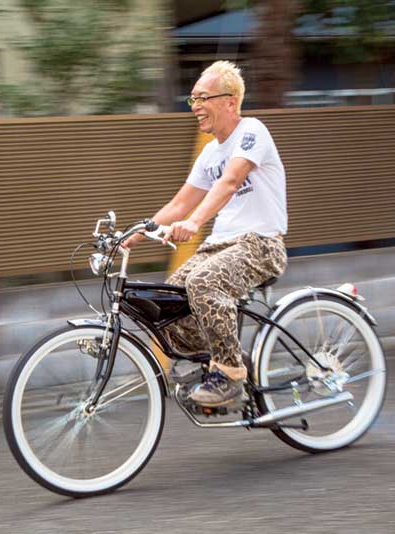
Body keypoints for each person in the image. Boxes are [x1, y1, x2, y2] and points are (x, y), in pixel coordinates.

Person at [123, 60, 288, 407]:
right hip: (219, 248)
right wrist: (135, 233)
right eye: (192, 99)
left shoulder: (251, 131)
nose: (195, 107)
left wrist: (195, 223)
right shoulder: (210, 152)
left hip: (260, 245)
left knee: (204, 283)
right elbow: (181, 203)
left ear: (230, 101)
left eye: (203, 98)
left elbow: (229, 183)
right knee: (163, 303)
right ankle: (224, 361)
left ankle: (229, 376)